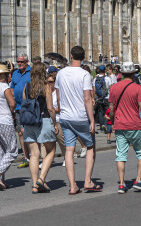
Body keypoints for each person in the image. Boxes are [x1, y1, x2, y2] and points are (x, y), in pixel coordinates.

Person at [55, 45, 99, 195]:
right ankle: (87, 181)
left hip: (65, 117)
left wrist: (62, 112)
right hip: (80, 117)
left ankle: (73, 185)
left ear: (71, 56)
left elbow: (59, 97)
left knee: (69, 149)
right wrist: (92, 120)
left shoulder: (60, 73)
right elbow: (87, 98)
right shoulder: (85, 75)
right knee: (90, 147)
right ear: (83, 57)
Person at [109, 61, 141, 193]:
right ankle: (138, 180)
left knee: (121, 155)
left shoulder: (114, 88)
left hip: (120, 125)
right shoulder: (137, 88)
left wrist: (112, 123)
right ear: (134, 73)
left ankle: (122, 184)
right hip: (134, 125)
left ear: (121, 73)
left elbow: (111, 109)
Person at [21, 62, 58, 192]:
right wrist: (54, 123)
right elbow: (50, 108)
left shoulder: (27, 86)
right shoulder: (46, 87)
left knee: (34, 154)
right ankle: (41, 179)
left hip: (30, 122)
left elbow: (24, 105)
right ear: (44, 73)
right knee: (51, 151)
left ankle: (35, 185)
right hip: (44, 120)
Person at [10, 54, 32, 168]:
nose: (19, 64)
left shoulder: (31, 72)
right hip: (18, 107)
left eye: (21, 62)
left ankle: (34, 155)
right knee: (20, 132)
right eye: (18, 62)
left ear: (27, 62)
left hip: (29, 107)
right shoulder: (15, 73)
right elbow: (12, 87)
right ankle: (26, 157)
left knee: (31, 131)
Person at [93, 65, 113, 143]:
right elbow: (111, 88)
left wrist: (94, 98)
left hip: (99, 98)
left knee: (100, 113)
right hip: (107, 97)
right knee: (107, 112)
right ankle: (106, 125)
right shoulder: (107, 78)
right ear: (105, 71)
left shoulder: (95, 79)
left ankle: (101, 127)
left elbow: (94, 89)